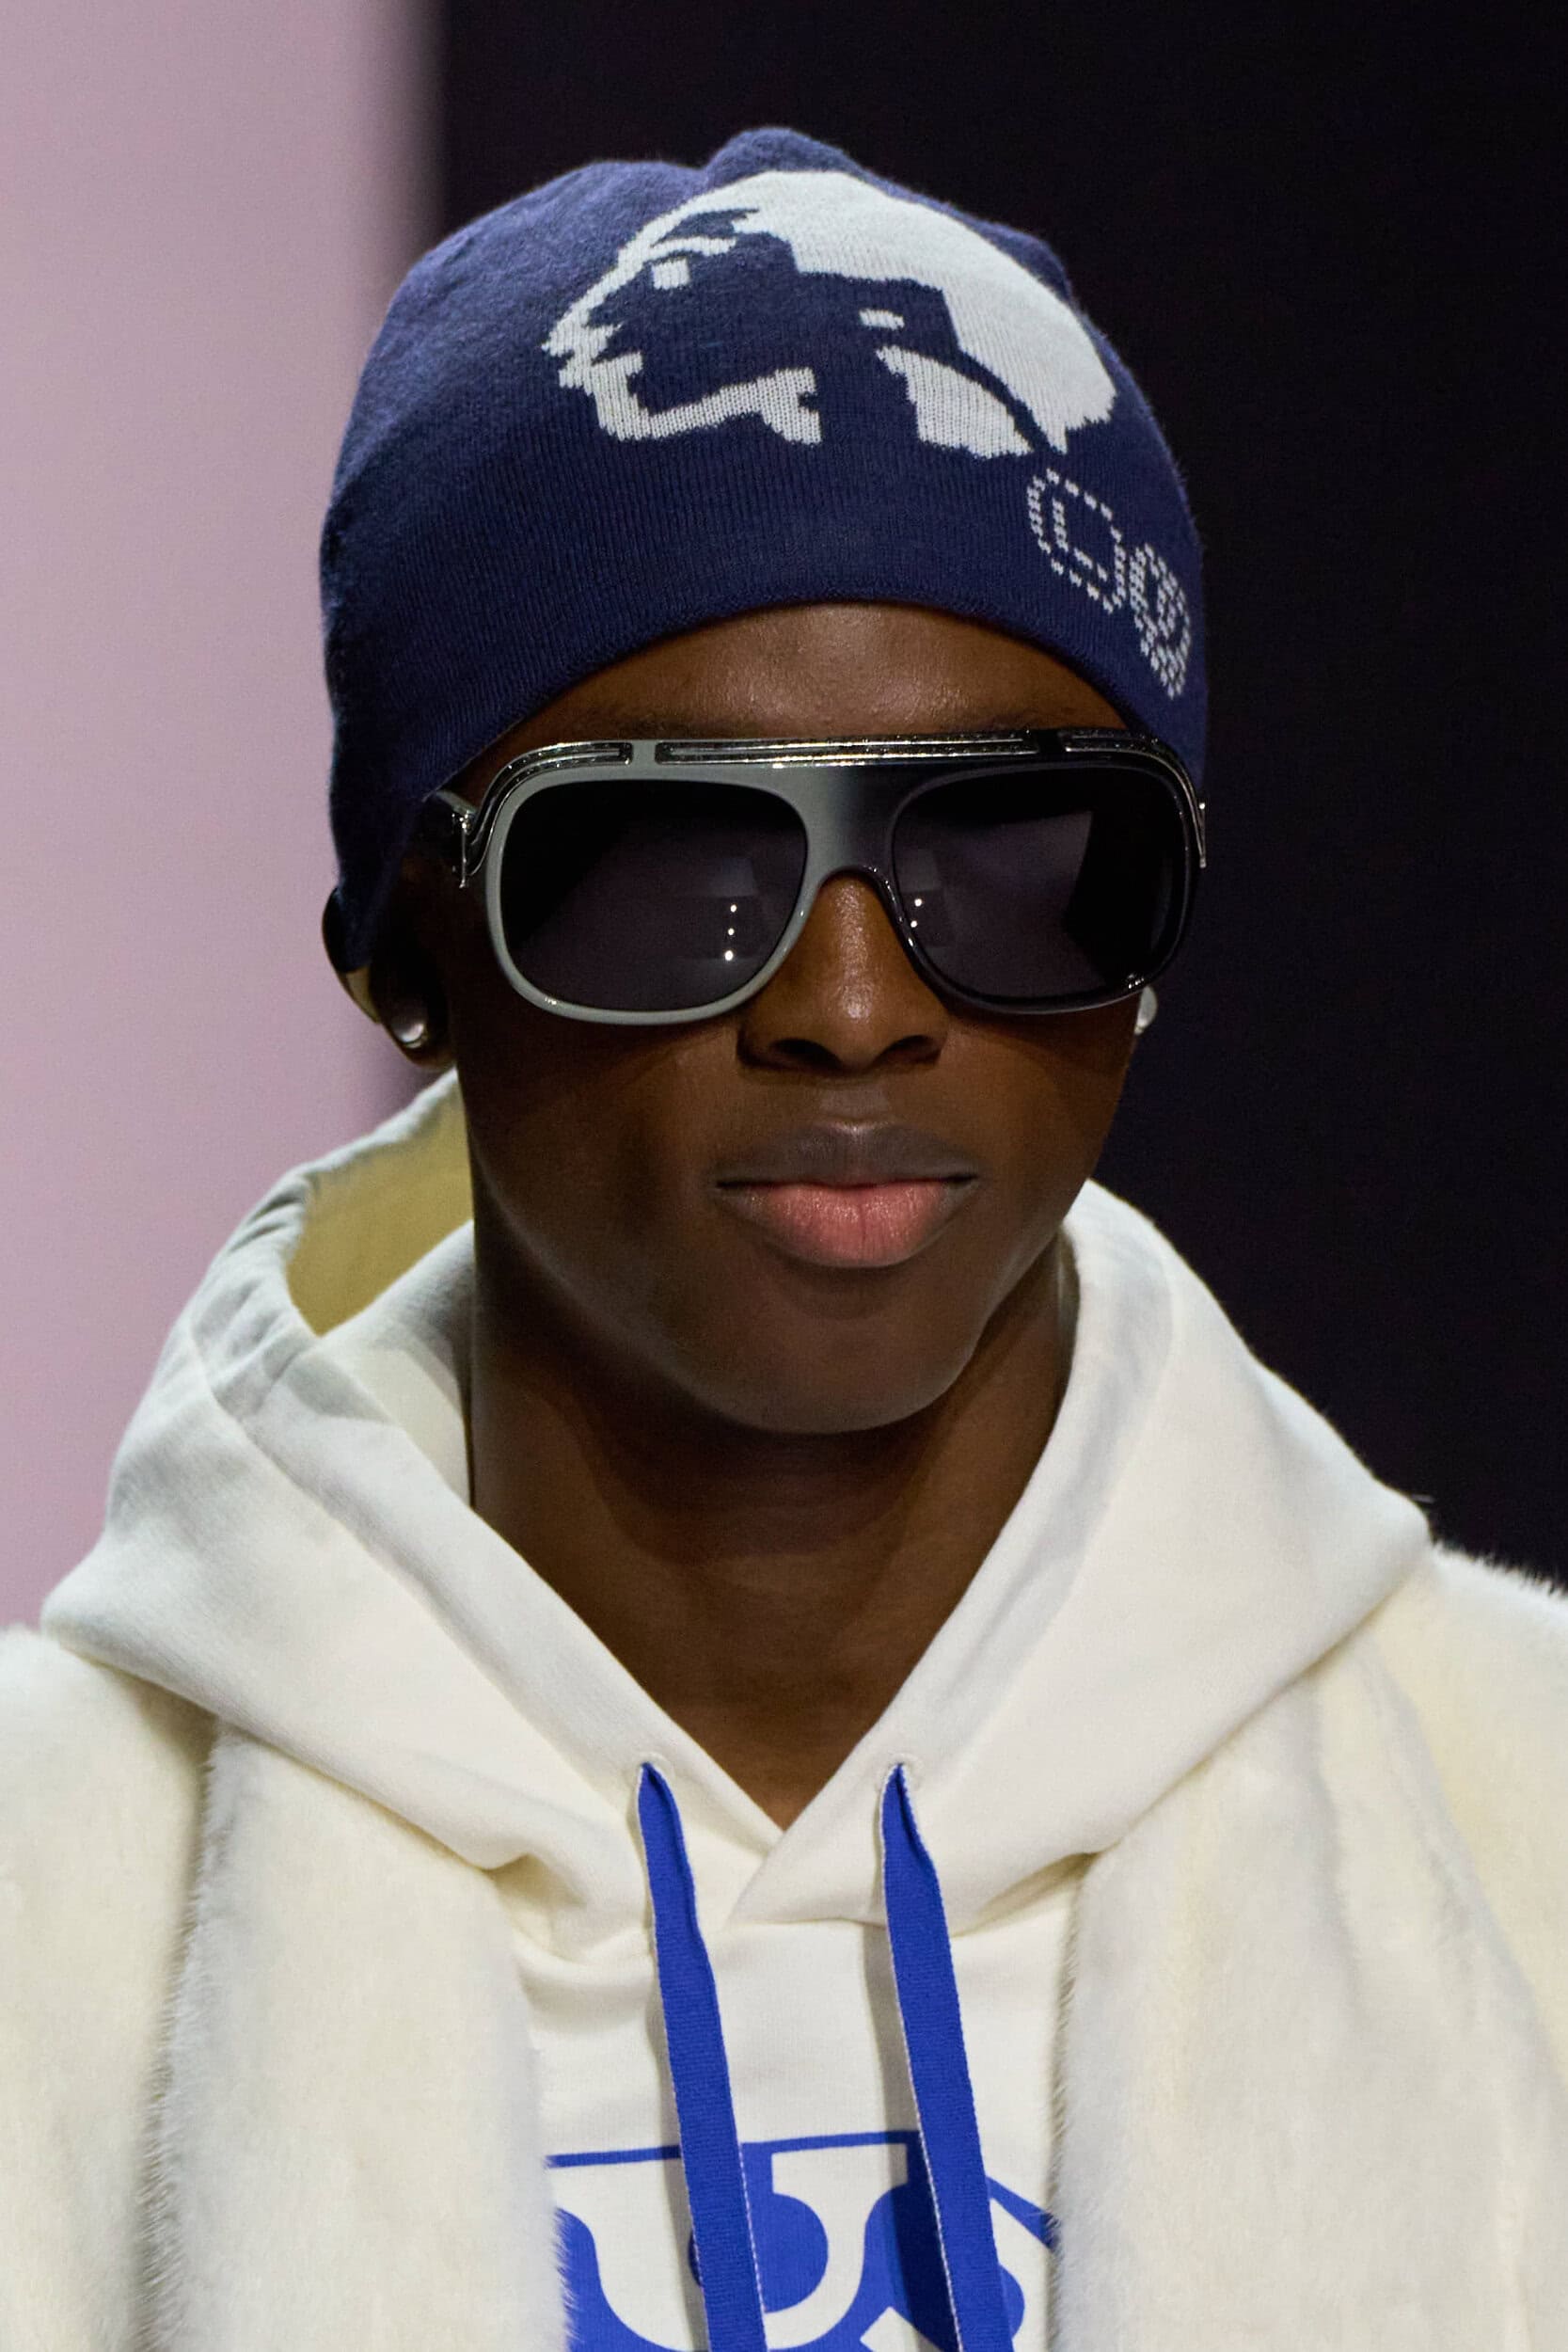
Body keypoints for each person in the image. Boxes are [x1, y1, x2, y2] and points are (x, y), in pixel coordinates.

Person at [4, 127, 1565, 2352]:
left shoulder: (1531, 1827)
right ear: (406, 947)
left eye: (1024, 854)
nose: (851, 1003)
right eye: (664, 859)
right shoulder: (45, 1901)